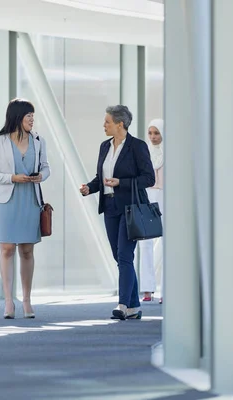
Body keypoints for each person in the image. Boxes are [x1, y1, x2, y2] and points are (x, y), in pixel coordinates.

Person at [80, 105, 154, 320]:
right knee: (119, 256)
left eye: (107, 122)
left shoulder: (137, 147)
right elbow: (100, 177)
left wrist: (121, 182)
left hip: (130, 208)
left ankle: (123, 305)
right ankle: (134, 307)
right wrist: (89, 188)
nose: (104, 125)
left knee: (124, 256)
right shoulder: (105, 146)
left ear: (120, 124)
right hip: (110, 206)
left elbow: (148, 178)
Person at [0, 98, 50, 319]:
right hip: (7, 200)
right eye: (28, 116)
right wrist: (12, 177)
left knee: (27, 250)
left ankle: (27, 301)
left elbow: (46, 167)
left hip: (30, 199)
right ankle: (8, 302)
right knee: (7, 250)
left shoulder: (39, 140)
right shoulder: (0, 142)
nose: (32, 120)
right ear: (17, 117)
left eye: (33, 116)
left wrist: (41, 176)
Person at [139, 119, 164, 303]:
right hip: (147, 197)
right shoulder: (144, 153)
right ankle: (147, 288)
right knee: (145, 242)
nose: (153, 137)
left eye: (157, 133)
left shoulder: (172, 154)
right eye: (150, 133)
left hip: (166, 198)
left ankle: (167, 289)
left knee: (167, 244)